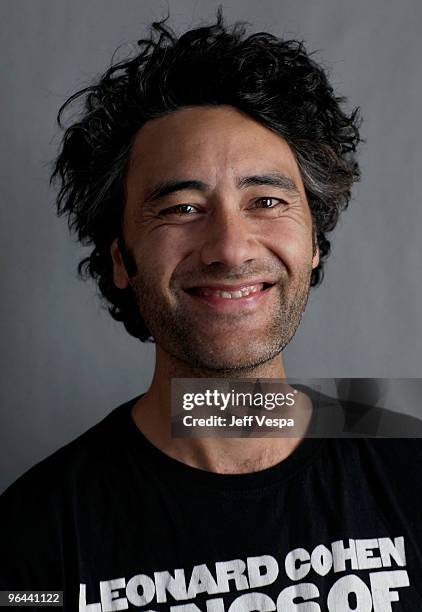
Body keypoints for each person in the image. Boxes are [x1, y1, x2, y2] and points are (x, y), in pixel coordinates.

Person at [1, 11, 421, 611]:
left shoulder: (405, 435)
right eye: (181, 209)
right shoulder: (33, 535)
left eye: (267, 200)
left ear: (315, 244)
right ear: (121, 258)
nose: (229, 248)